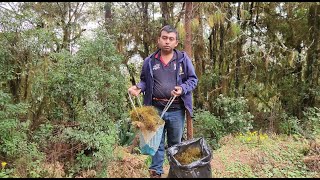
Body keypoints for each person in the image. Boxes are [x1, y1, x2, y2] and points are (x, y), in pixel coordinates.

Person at [128, 25, 198, 178]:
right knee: (156, 143)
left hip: (176, 109)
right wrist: (138, 88)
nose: (167, 41)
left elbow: (193, 80)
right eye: (164, 38)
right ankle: (156, 173)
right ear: (158, 40)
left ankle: (174, 173)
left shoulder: (182, 59)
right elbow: (144, 81)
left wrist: (182, 88)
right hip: (155, 109)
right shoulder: (149, 61)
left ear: (176, 43)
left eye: (171, 39)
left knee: (175, 144)